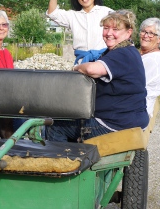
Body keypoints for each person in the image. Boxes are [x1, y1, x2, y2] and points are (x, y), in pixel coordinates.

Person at [47, 10, 149, 142]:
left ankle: (62, 161)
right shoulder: (126, 51)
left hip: (115, 123)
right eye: (106, 28)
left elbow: (91, 69)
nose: (109, 33)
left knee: (55, 125)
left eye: (115, 29)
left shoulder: (123, 53)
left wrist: (75, 67)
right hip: (129, 118)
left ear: (128, 32)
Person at [46, 0, 113, 64]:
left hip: (104, 62)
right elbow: (52, 13)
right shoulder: (73, 16)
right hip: (81, 63)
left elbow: (122, 29)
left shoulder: (106, 12)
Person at [139, 17, 160, 117]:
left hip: (138, 111)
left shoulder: (152, 60)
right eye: (143, 31)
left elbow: (134, 86)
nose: (146, 36)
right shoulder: (145, 55)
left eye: (151, 33)